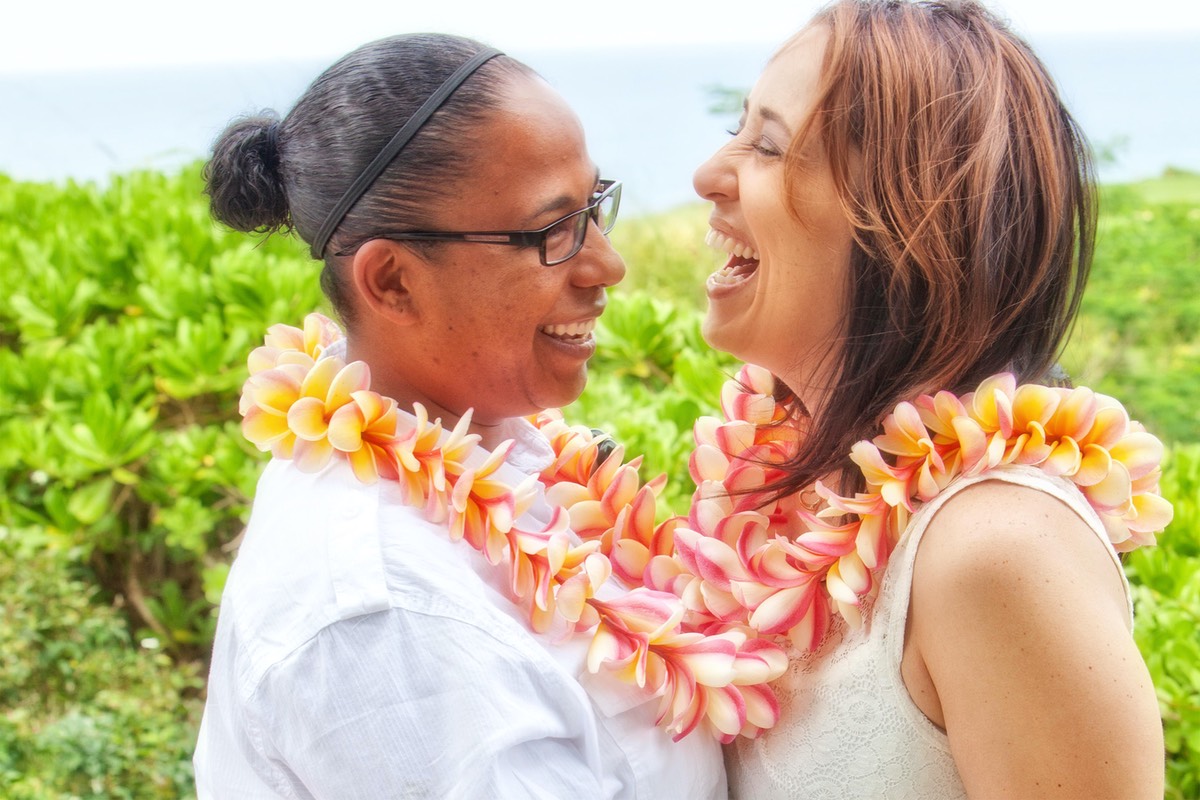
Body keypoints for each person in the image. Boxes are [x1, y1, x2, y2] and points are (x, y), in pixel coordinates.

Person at [192, 34, 729, 798]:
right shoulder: (386, 617)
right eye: (551, 231)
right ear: (393, 282)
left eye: (593, 205)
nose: (606, 265)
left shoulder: (500, 446)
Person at [685, 1, 1172, 797]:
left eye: (769, 146)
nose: (708, 173)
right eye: (738, 129)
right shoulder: (782, 498)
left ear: (906, 224)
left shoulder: (999, 548)